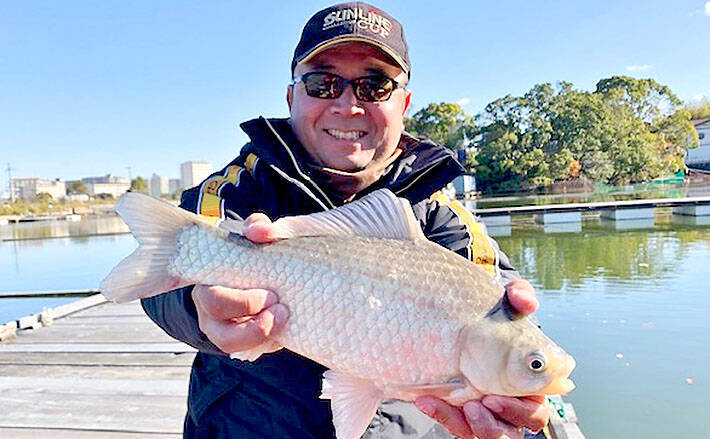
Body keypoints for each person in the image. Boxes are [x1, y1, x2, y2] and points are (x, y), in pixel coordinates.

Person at [142, 3, 550, 438]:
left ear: (404, 103)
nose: (348, 105)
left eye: (375, 85)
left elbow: (506, 311)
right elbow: (166, 287)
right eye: (323, 83)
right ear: (291, 96)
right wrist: (199, 309)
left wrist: (516, 397)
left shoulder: (442, 215)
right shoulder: (236, 190)